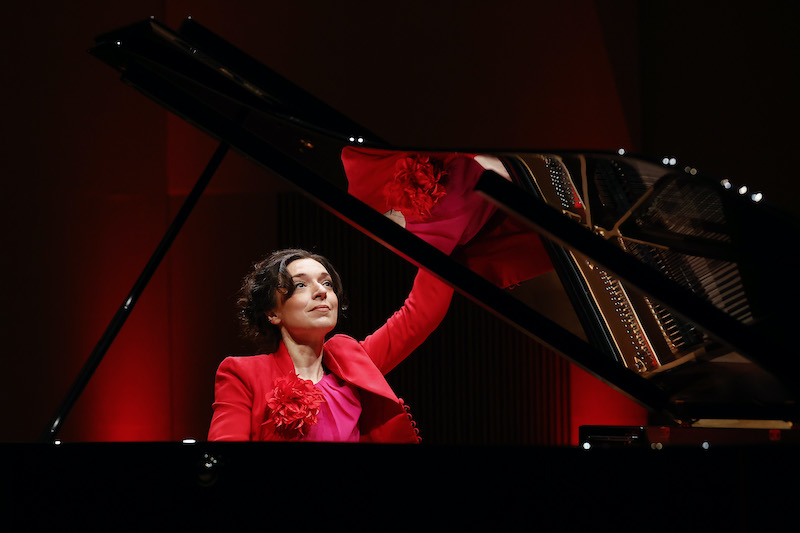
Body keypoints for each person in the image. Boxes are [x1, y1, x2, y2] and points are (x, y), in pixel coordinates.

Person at [208, 248, 453, 442]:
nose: (321, 292)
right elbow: (227, 460)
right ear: (273, 313)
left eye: (327, 284)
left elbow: (421, 313)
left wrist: (444, 239)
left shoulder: (353, 361)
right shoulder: (242, 374)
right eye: (301, 285)